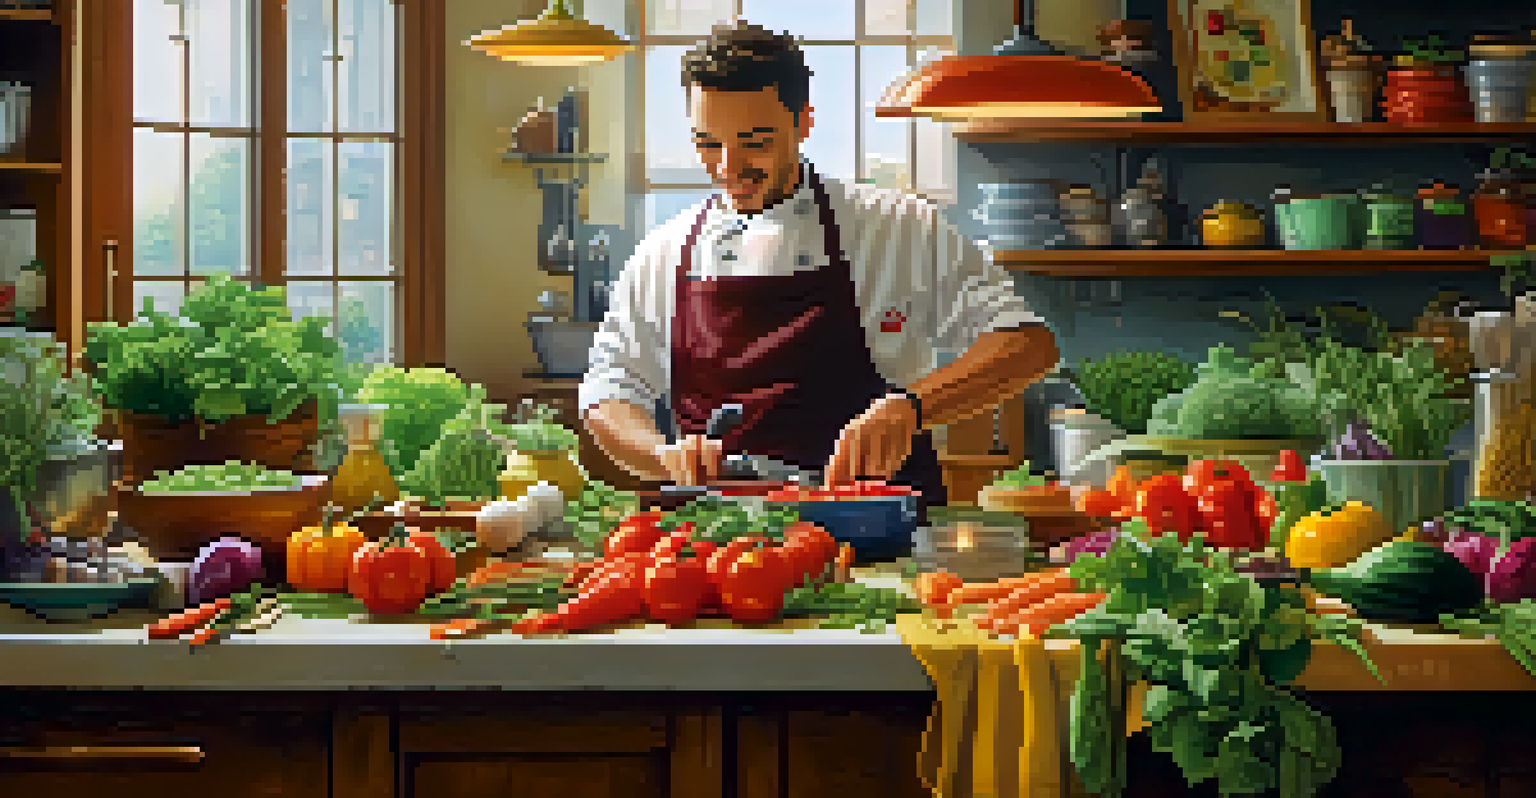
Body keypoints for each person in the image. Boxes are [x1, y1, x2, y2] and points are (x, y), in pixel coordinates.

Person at [580, 21, 1060, 511]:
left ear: (805, 121)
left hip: (879, 529)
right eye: (707, 144)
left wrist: (911, 408)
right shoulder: (665, 251)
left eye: (755, 142)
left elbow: (1028, 345)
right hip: (723, 545)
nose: (728, 167)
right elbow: (610, 389)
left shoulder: (894, 226)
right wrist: (662, 455)